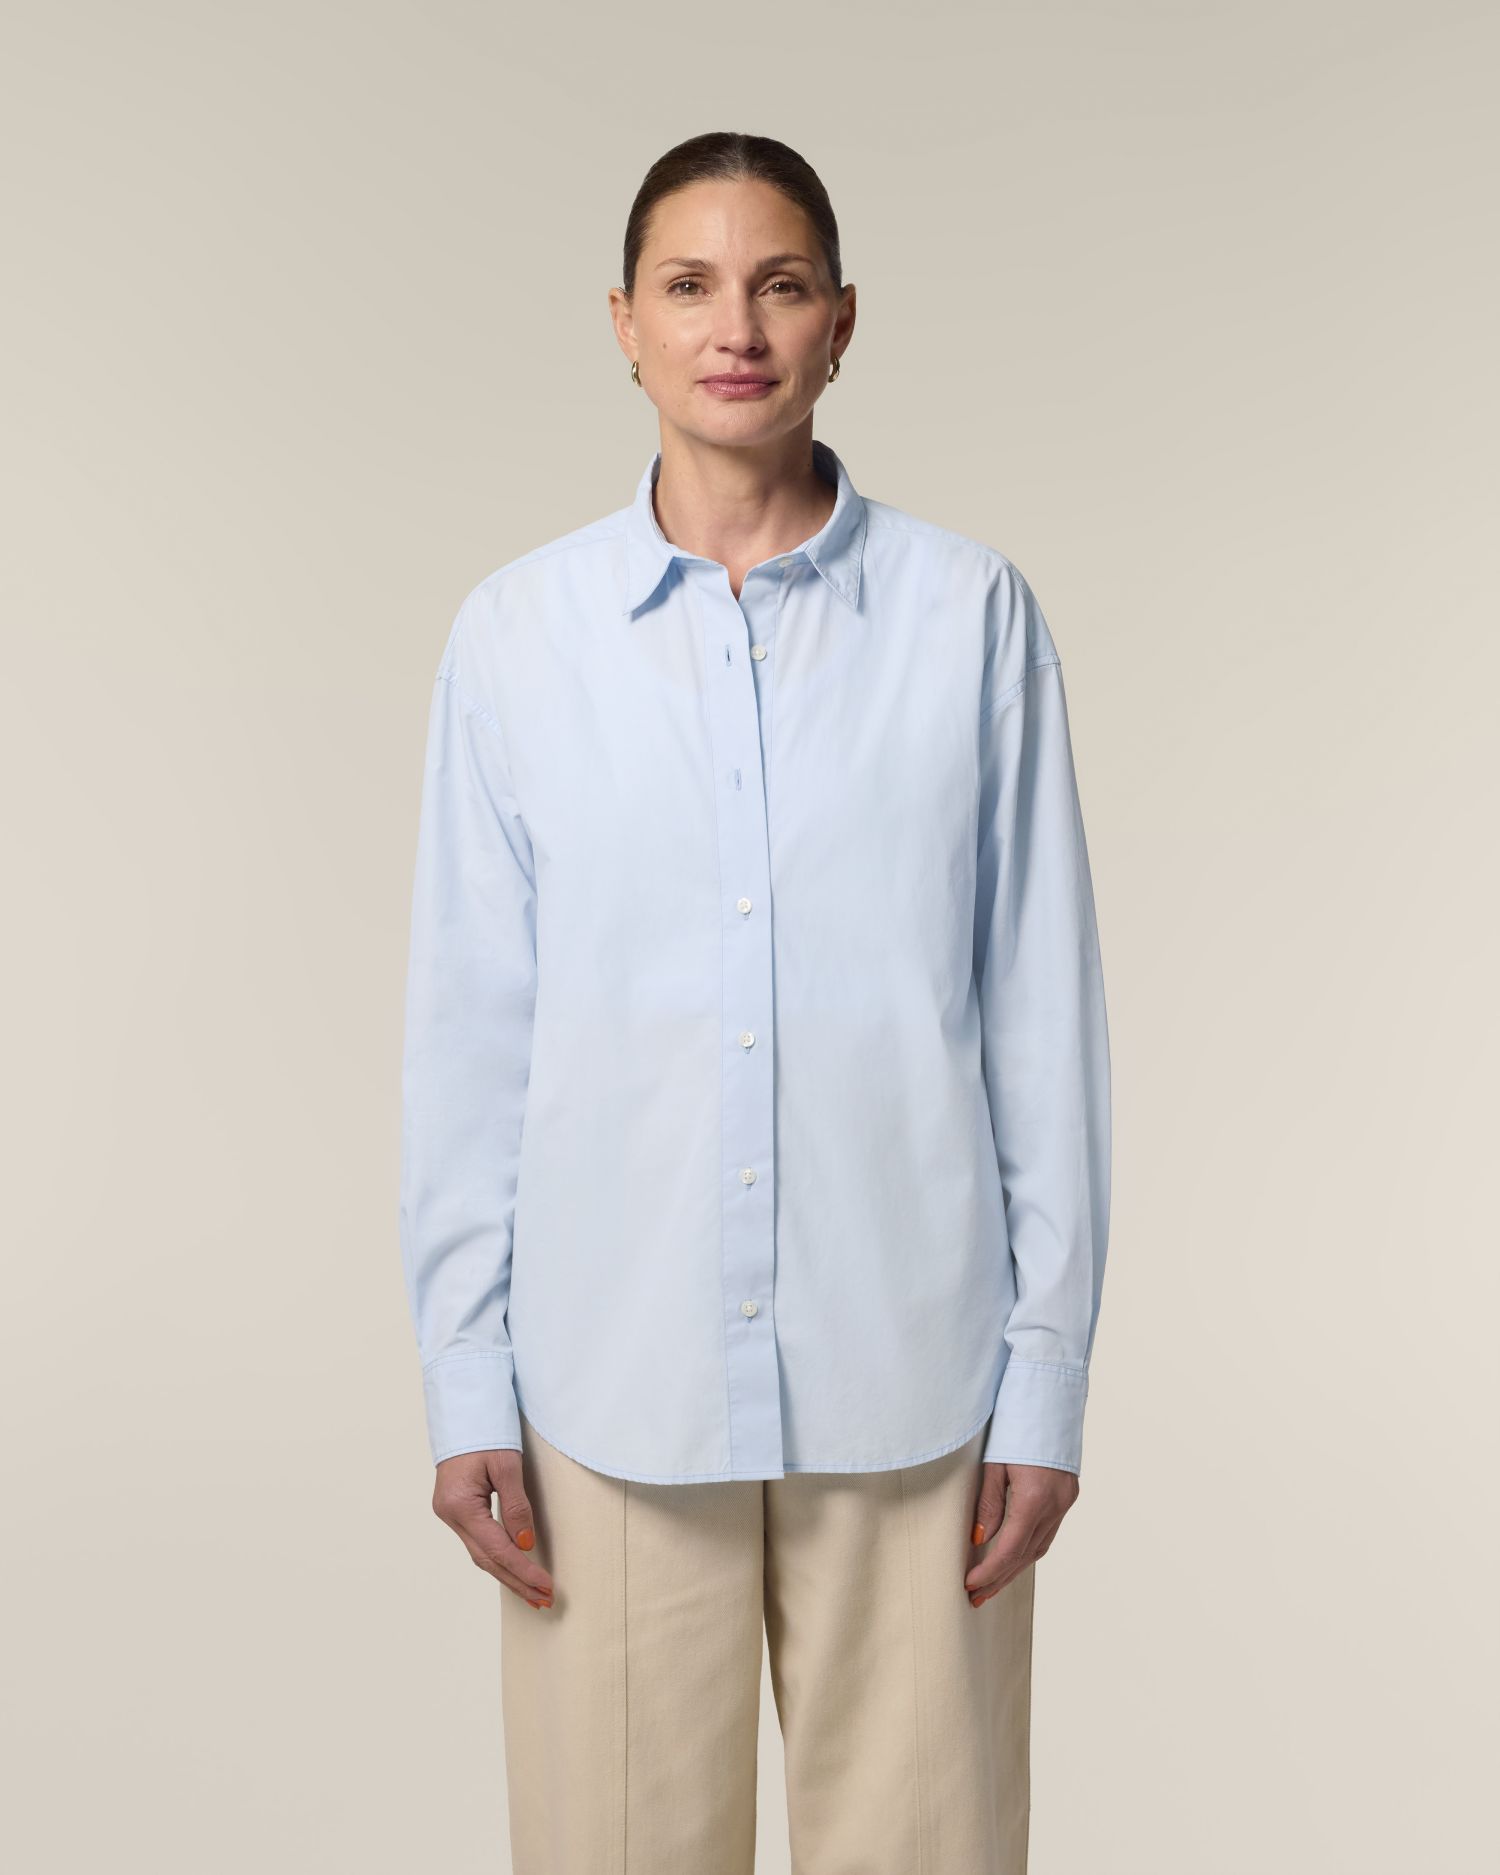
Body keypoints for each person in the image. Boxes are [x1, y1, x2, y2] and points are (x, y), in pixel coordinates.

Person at [399, 129, 1112, 1875]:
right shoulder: (517, 640)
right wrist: (466, 1376)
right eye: (691, 286)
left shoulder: (970, 619)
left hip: (915, 1389)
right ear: (623, 324)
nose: (737, 328)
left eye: (781, 285)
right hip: (608, 1398)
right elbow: (473, 1037)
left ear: (842, 323)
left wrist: (1043, 1381)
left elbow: (1042, 1025)